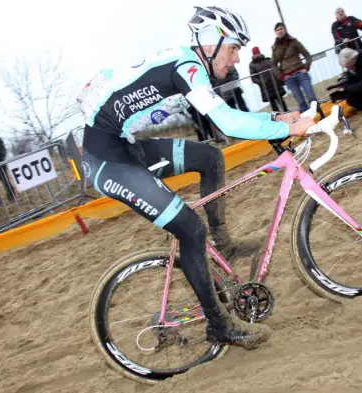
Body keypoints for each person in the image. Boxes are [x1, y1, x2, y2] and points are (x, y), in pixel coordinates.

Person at [76, 6, 314, 350]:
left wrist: (277, 116)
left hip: (125, 147)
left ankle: (224, 246)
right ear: (211, 42)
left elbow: (228, 114)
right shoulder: (187, 68)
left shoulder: (190, 65)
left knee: (209, 157)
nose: (235, 58)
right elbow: (228, 124)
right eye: (233, 48)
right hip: (107, 163)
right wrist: (287, 126)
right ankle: (219, 325)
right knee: (190, 228)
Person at [271, 22, 324, 117]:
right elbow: (273, 64)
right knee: (301, 102)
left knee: (311, 98)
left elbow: (307, 55)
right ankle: (308, 122)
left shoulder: (293, 41)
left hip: (301, 73)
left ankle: (321, 116)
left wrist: (306, 67)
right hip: (289, 78)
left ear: (285, 29)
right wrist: (282, 76)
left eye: (281, 29)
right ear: (275, 32)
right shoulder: (275, 48)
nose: (280, 31)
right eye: (277, 30)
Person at [249, 47, 288, 112]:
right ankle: (279, 118)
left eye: (257, 53)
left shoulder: (267, 60)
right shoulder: (252, 65)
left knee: (281, 102)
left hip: (274, 84)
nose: (257, 55)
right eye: (256, 53)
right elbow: (253, 78)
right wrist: (262, 81)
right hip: (266, 87)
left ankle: (286, 115)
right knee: (274, 105)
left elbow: (275, 68)